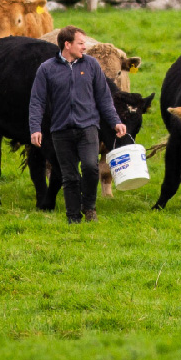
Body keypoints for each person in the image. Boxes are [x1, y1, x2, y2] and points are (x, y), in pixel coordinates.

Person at [29, 25, 127, 224]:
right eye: (80, 43)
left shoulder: (91, 65)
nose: (84, 47)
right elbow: (37, 101)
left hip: (88, 127)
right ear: (67, 44)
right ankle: (73, 216)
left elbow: (104, 98)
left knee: (91, 168)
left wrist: (116, 121)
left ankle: (89, 208)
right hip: (60, 130)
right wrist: (35, 128)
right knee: (70, 175)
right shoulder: (47, 69)